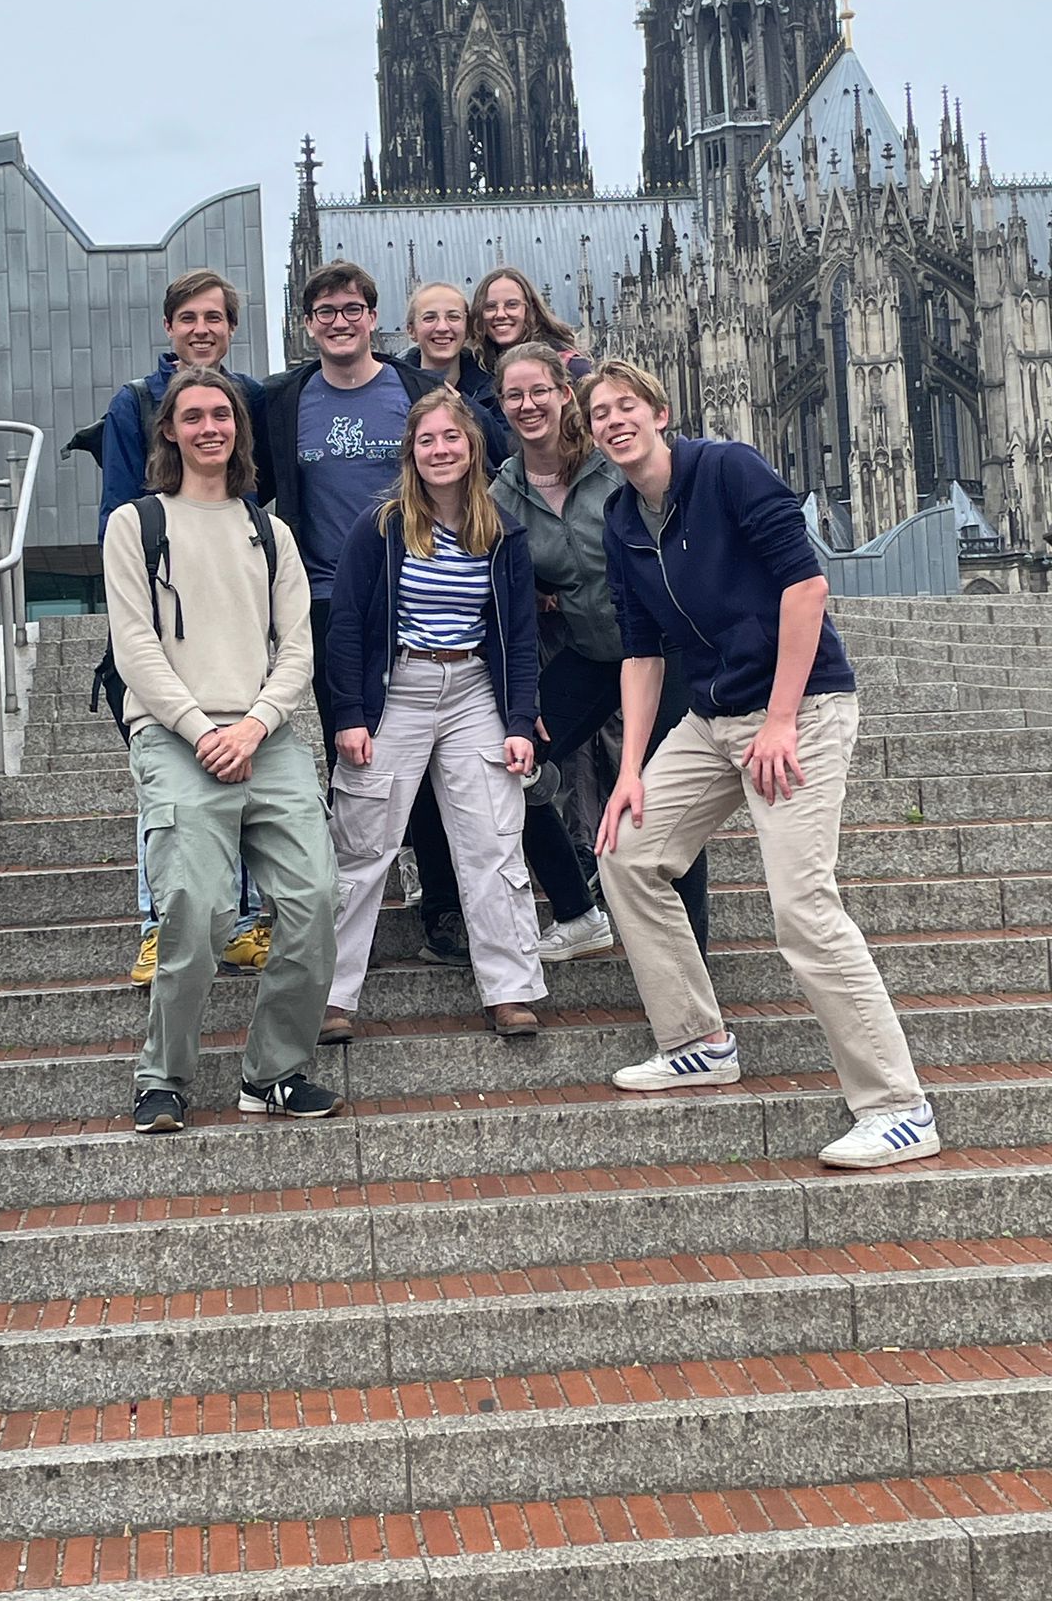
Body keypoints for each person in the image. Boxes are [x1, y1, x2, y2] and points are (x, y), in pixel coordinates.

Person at [586, 358, 940, 1172]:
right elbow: (641, 650)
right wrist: (631, 768)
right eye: (599, 413)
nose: (613, 421)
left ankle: (898, 1107)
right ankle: (697, 1042)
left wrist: (780, 719)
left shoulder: (727, 470)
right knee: (627, 853)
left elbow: (806, 588)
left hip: (801, 708)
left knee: (803, 908)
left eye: (626, 405)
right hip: (712, 718)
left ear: (659, 412)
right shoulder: (621, 517)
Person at [102, 366, 341, 1134]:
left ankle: (274, 1073)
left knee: (314, 900)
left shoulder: (271, 534)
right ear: (170, 431)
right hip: (176, 739)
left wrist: (255, 726)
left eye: (222, 415)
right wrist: (203, 731)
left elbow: (297, 651)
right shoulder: (136, 525)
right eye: (194, 416)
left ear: (239, 429)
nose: (210, 427)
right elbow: (135, 647)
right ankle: (163, 1077)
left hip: (265, 737)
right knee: (197, 911)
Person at [260, 260, 469, 965]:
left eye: (353, 309)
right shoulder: (285, 401)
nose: (340, 322)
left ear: (373, 318)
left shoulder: (417, 391)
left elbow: (472, 472)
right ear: (308, 323)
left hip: (420, 598)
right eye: (326, 312)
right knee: (350, 756)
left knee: (431, 763)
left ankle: (442, 907)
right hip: (328, 604)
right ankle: (355, 913)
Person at [323, 389, 548, 1040]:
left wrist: (520, 720)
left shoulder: (502, 531)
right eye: (427, 440)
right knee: (363, 844)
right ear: (411, 453)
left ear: (472, 447)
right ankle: (330, 995)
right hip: (398, 689)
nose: (440, 449)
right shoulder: (381, 527)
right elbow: (346, 626)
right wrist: (349, 714)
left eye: (452, 437)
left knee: (492, 841)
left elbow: (520, 636)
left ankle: (510, 990)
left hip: (472, 688)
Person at [491, 343, 708, 963]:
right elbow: (507, 582)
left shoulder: (612, 462)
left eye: (540, 391)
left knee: (662, 797)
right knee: (510, 764)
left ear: (566, 394)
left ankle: (689, 960)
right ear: (501, 406)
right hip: (590, 652)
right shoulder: (504, 491)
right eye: (513, 395)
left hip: (662, 653)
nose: (528, 405)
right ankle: (577, 910)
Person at [98, 268, 269, 986]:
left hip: (233, 609)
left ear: (232, 328)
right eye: (189, 318)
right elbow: (115, 508)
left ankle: (241, 922)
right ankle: (158, 928)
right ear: (169, 327)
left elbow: (263, 495)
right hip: (162, 608)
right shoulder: (135, 402)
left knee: (244, 772)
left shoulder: (253, 397)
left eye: (215, 317)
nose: (202, 329)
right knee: (167, 789)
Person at [470, 265, 591, 441]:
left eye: (512, 305)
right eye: (490, 307)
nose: (500, 314)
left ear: (530, 309)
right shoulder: (475, 372)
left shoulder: (571, 367)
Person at [402, 282, 509, 469]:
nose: (442, 327)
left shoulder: (495, 391)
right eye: (429, 318)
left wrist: (466, 406)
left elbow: (507, 454)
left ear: (467, 328)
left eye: (453, 317)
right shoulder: (394, 389)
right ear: (411, 330)